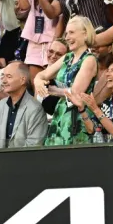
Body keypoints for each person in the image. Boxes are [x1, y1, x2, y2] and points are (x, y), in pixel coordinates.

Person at [35, 15, 98, 146]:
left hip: (78, 117)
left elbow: (75, 92)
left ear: (85, 34)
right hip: (61, 113)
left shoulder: (89, 59)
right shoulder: (67, 57)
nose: (67, 37)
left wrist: (52, 90)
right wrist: (38, 82)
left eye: (72, 32)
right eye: (66, 33)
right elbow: (41, 75)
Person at [0, 62, 48, 149]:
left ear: (22, 80)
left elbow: (34, 145)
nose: (3, 81)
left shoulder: (35, 109)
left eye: (9, 77)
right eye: (3, 76)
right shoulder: (2, 104)